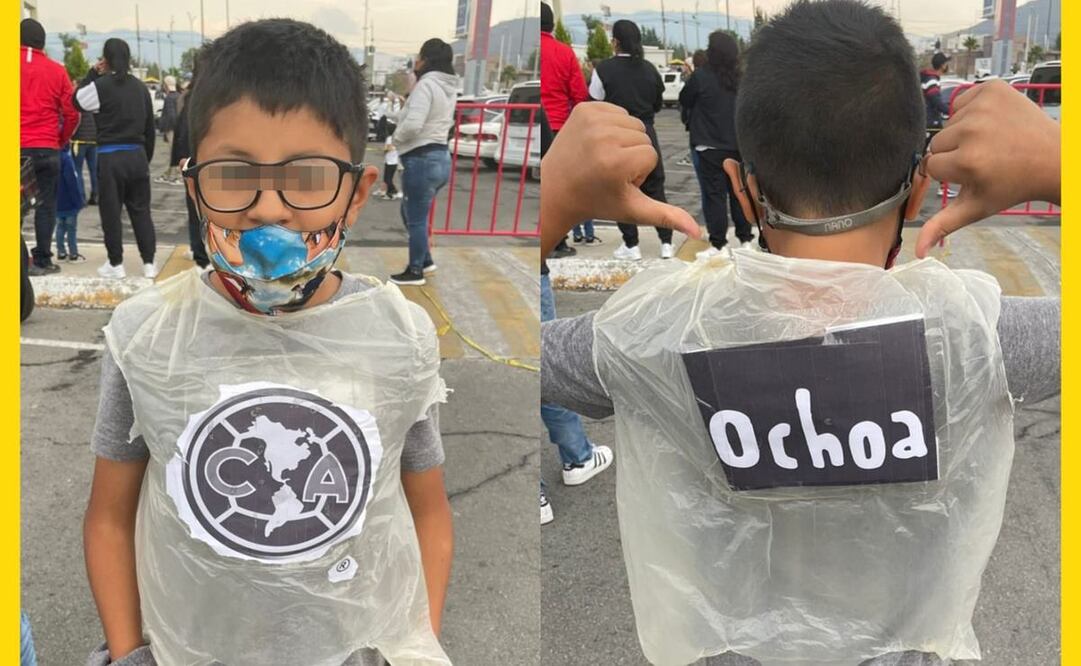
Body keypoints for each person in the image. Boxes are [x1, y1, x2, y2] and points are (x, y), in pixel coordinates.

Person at [540, 2, 1059, 663]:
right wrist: (1058, 166)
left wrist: (552, 202)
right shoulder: (979, 339)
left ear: (741, 190)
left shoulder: (649, 343)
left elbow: (524, 352)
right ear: (921, 189)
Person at [82, 19, 453, 666]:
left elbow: (426, 513)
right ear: (194, 186)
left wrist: (417, 641)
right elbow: (110, 517)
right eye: (233, 174)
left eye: (308, 177)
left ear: (358, 193)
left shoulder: (400, 337)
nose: (270, 209)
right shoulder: (147, 336)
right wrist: (126, 650)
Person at [74, 38, 159, 280]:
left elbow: (77, 101)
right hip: (137, 156)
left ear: (106, 59)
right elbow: (150, 129)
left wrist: (92, 73)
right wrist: (145, 157)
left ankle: (116, 263)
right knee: (141, 211)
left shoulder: (101, 86)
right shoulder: (141, 88)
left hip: (110, 157)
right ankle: (149, 263)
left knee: (111, 212)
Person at [590, 19, 674, 261]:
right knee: (655, 188)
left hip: (617, 133)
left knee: (619, 188)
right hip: (646, 133)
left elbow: (595, 100)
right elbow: (658, 103)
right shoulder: (649, 69)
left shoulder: (603, 69)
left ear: (615, 41)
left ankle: (631, 244)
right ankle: (666, 242)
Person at [385, 38, 458, 286]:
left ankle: (415, 271)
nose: (416, 61)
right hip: (440, 158)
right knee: (411, 212)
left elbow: (414, 124)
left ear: (426, 60)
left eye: (419, 56)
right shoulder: (447, 86)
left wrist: (396, 136)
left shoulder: (426, 85)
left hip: (422, 159)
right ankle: (426, 260)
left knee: (415, 218)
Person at [679, 31, 754, 258]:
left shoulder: (701, 77)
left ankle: (719, 244)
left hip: (709, 146)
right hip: (739, 147)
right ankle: (745, 240)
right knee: (739, 195)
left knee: (714, 197)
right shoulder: (743, 78)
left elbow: (685, 100)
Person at [20, 18, 80, 276]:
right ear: (43, 43)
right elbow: (72, 113)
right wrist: (60, 139)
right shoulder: (57, 71)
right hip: (46, 147)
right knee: (46, 206)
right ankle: (43, 259)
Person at [540, 2, 596, 246]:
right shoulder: (564, 52)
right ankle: (558, 241)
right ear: (552, 25)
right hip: (557, 127)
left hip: (535, 126)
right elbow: (580, 95)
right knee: (557, 187)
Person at [170, 60, 209, 268]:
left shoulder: (192, 98)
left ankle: (201, 254)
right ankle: (205, 253)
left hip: (196, 163)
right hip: (213, 164)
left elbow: (182, 131)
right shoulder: (218, 97)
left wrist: (181, 159)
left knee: (196, 211)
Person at [921, 52, 957, 198]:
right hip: (931, 122)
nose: (948, 65)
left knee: (928, 153)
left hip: (929, 121)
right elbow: (935, 99)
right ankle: (943, 186)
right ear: (943, 65)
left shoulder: (929, 78)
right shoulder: (931, 80)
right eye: (947, 63)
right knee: (940, 152)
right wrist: (950, 110)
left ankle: (942, 185)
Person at [54, 143, 86, 262]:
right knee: (71, 229)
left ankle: (61, 251)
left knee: (59, 228)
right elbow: (72, 182)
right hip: (69, 202)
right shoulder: (66, 159)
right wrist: (79, 201)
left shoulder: (53, 157)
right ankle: (73, 253)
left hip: (57, 201)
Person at [71, 103, 99, 205]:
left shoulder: (77, 104)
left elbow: (74, 121)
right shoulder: (93, 105)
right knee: (94, 170)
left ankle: (81, 198)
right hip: (93, 141)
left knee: (77, 169)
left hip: (79, 141)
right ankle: (96, 195)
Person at [380, 134, 401, 200]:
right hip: (394, 161)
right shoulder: (397, 137)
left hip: (390, 162)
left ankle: (394, 191)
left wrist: (384, 150)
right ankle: (388, 192)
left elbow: (388, 148)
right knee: (388, 178)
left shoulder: (390, 138)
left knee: (387, 179)